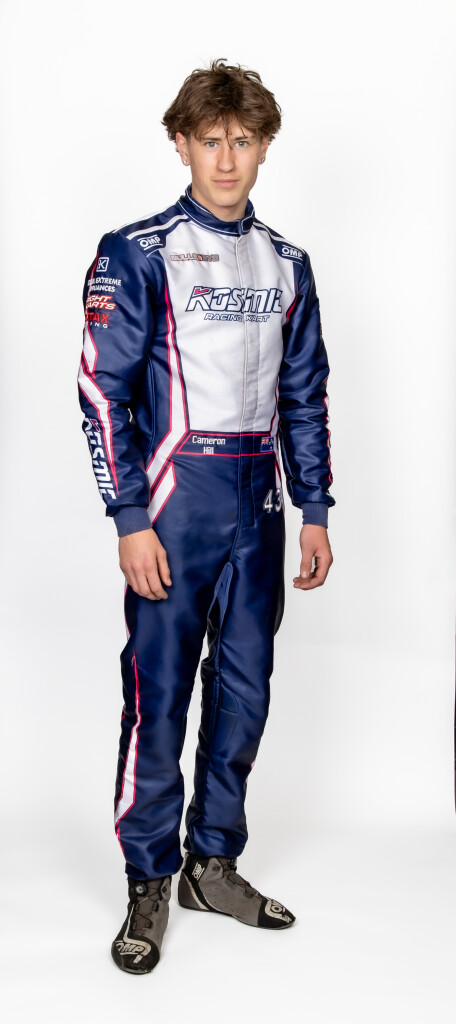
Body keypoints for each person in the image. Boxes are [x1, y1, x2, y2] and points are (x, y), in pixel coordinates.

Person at [77, 58, 335, 975]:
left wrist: (314, 506)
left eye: (244, 141)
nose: (228, 159)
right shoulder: (137, 251)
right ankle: (149, 877)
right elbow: (102, 391)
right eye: (212, 140)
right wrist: (129, 517)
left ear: (265, 148)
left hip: (259, 503)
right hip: (173, 502)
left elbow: (305, 394)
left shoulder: (288, 264)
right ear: (181, 144)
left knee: (245, 690)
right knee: (159, 695)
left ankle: (211, 864)